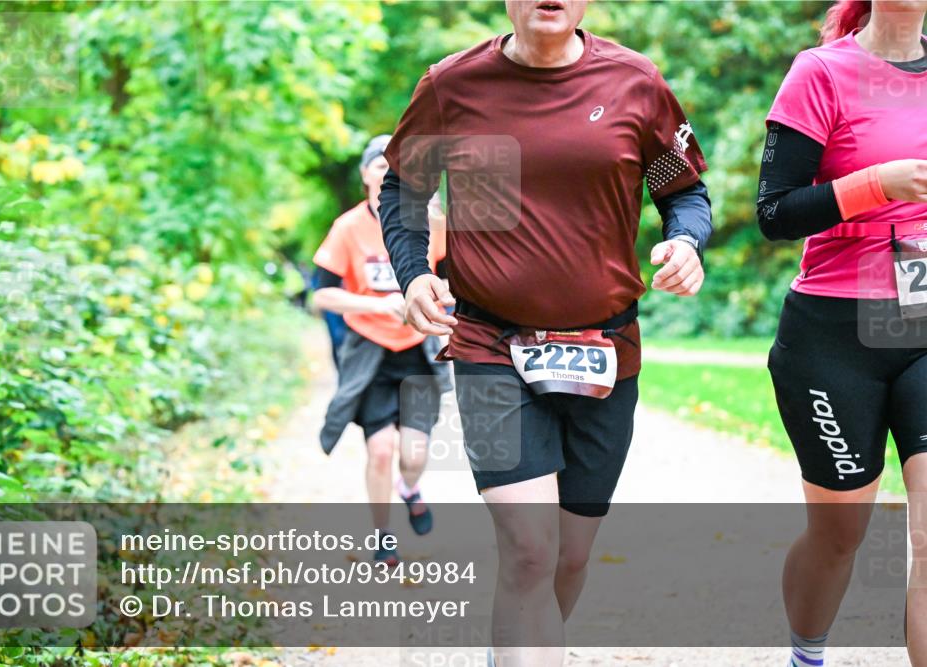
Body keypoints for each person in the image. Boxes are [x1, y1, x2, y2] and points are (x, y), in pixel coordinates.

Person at [378, 2, 712, 664]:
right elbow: (403, 191)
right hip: (489, 346)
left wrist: (687, 242)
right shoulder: (451, 85)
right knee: (529, 549)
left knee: (569, 555)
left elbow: (685, 191)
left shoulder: (636, 83)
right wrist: (415, 274)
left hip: (606, 349)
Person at [757, 1, 927, 665]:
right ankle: (806, 651)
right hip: (834, 333)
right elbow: (775, 212)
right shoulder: (821, 73)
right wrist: (875, 184)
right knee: (839, 533)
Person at [313, 134, 451, 566]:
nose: (388, 171)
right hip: (370, 352)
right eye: (379, 164)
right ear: (365, 174)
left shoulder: (433, 223)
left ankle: (410, 489)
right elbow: (322, 295)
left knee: (413, 454)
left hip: (417, 349)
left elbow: (454, 284)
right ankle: (383, 535)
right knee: (381, 449)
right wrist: (378, 303)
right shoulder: (348, 228)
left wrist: (426, 300)